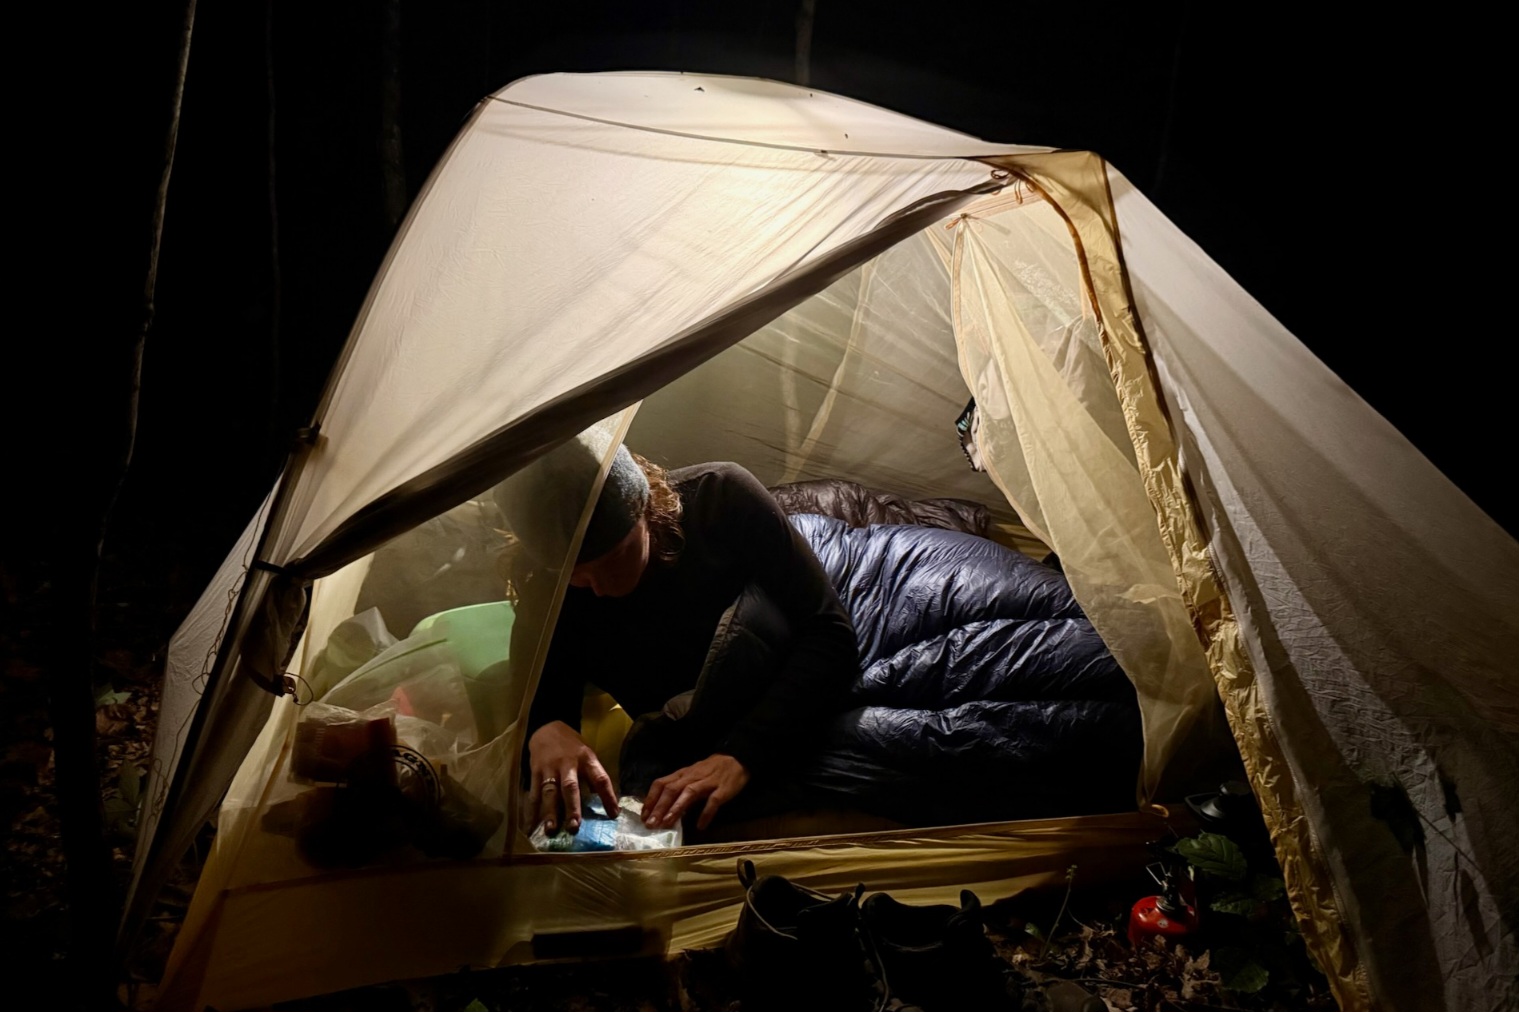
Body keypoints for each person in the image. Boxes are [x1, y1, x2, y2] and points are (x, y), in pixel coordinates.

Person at [493, 433, 858, 839]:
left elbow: (831, 632)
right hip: (694, 715)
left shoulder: (721, 497)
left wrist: (741, 754)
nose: (597, 587)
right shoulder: (550, 586)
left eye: (614, 558)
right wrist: (546, 729)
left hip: (779, 659)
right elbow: (534, 699)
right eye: (576, 575)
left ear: (645, 507)